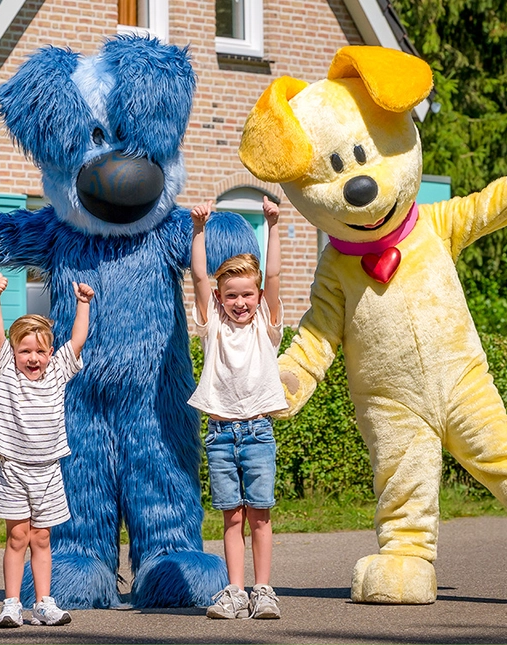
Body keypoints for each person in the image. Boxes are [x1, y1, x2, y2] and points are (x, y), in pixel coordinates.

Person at [188, 196, 287, 620]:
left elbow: (275, 273)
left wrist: (273, 224)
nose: (241, 302)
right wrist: (198, 231)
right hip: (220, 434)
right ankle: (235, 592)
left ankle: (263, 590)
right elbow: (198, 276)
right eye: (232, 295)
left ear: (259, 296)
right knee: (232, 517)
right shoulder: (212, 325)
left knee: (259, 516)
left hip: (258, 432)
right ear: (220, 297)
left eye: (248, 294)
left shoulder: (267, 323)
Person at [0, 274, 93, 628]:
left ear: (50, 353)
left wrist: (83, 304)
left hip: (48, 470)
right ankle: (11, 605)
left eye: (39, 352)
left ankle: (44, 604)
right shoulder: (7, 372)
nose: (33, 358)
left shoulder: (57, 372)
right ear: (14, 353)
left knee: (42, 537)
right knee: (18, 536)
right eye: (25, 351)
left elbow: (77, 340)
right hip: (14, 469)